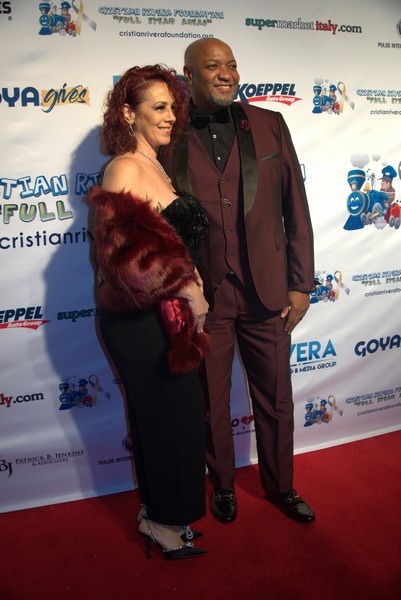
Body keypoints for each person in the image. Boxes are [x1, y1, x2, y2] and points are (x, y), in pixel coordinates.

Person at [160, 39, 316, 524]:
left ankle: (281, 485)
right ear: (189, 75)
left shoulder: (270, 124)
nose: (226, 73)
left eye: (231, 65)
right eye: (213, 66)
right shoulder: (169, 133)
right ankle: (223, 484)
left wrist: (302, 284)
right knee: (210, 400)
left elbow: (295, 207)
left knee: (277, 397)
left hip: (267, 291)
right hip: (205, 298)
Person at [87, 65, 211, 559]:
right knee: (164, 419)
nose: (170, 116)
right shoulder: (123, 168)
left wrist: (190, 289)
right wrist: (190, 291)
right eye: (158, 107)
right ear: (127, 114)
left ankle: (160, 512)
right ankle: (161, 522)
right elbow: (122, 260)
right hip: (140, 321)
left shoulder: (156, 165)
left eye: (172, 106)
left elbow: (167, 243)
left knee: (177, 418)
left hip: (167, 318)